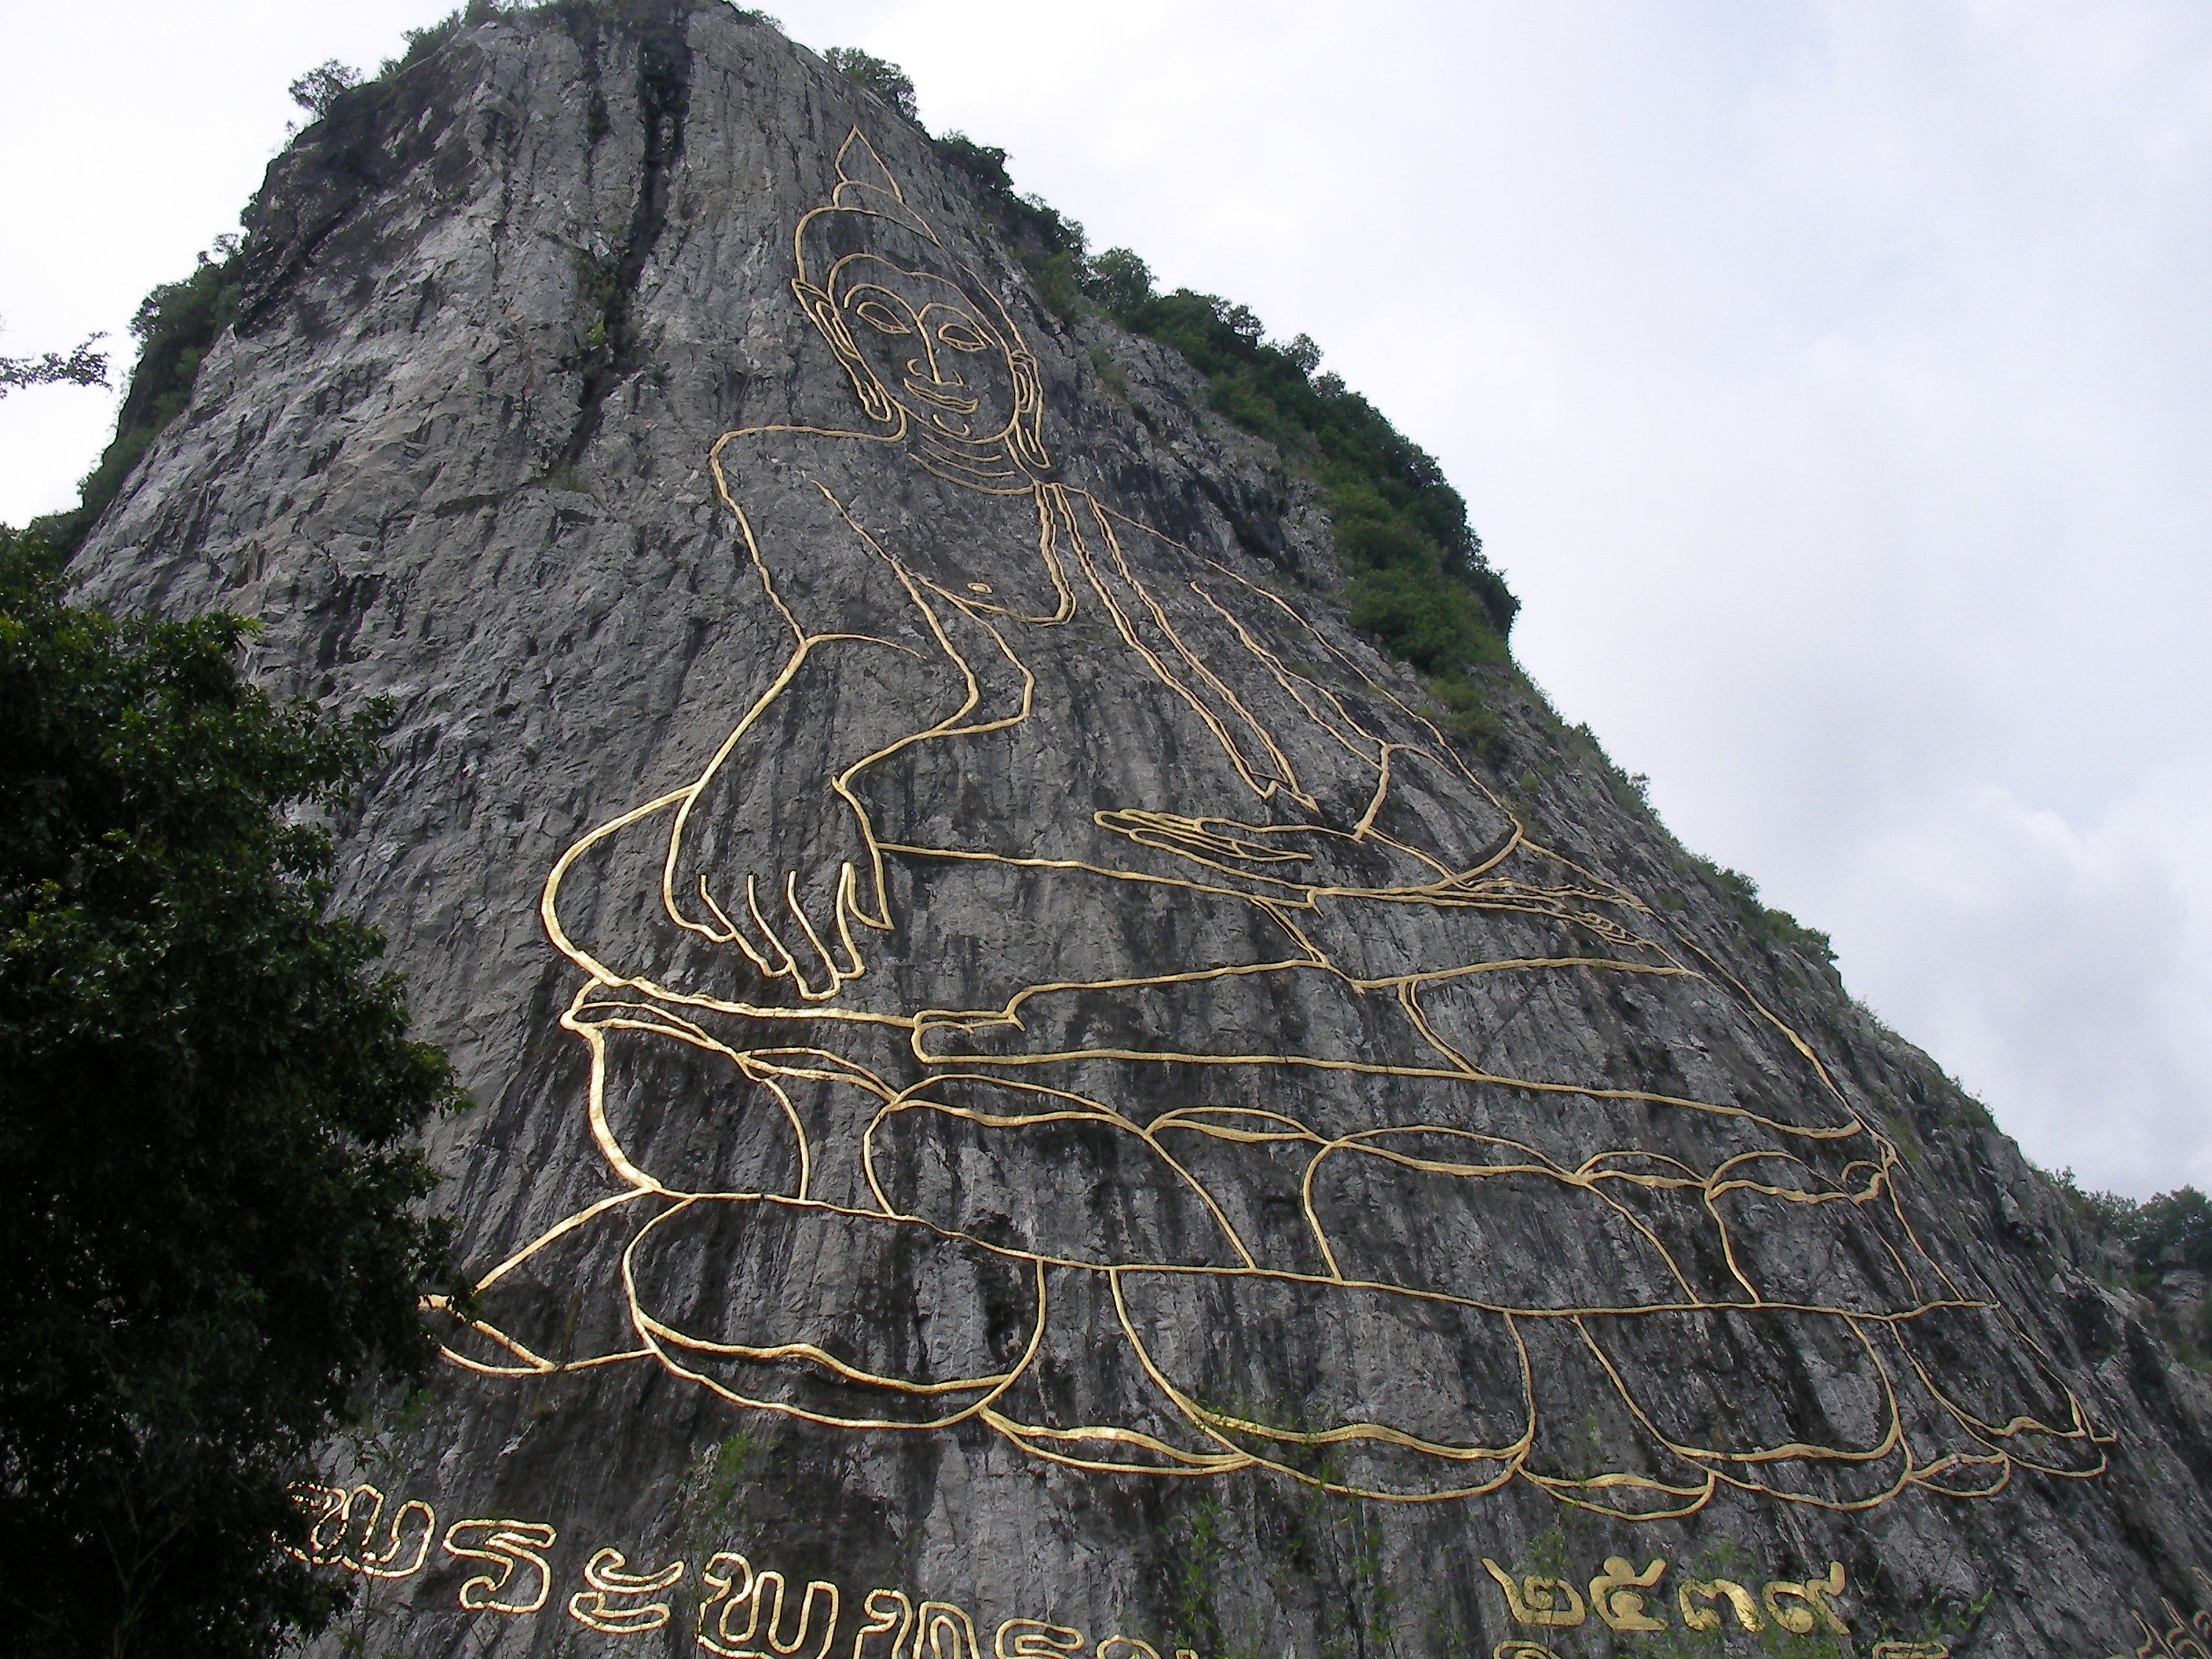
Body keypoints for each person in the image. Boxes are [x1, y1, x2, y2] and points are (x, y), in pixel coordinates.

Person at [437, 133, 2104, 1515]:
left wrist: (1423, 865)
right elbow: (862, 648)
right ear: (846, 337)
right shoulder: (810, 467)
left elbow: (1323, 756)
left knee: (1668, 1024)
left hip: (1250, 880)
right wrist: (803, 743)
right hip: (998, 846)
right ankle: (938, 1237)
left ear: (1013, 357)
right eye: (898, 334)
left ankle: (1671, 1326)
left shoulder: (1122, 545)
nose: (946, 369)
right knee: (949, 983)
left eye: (975, 342)